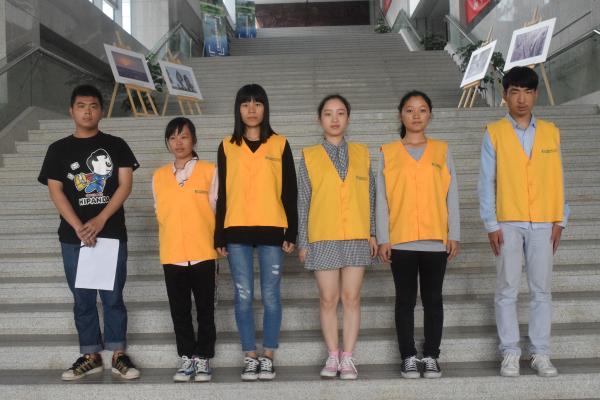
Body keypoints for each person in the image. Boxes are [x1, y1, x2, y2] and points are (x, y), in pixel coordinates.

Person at [37, 84, 140, 381]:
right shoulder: (57, 149)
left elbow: (125, 185)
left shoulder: (117, 145)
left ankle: (118, 353)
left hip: (111, 233)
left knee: (112, 296)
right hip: (73, 237)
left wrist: (100, 219)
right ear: (71, 111)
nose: (87, 111)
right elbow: (55, 191)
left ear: (101, 111)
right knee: (82, 298)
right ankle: (91, 355)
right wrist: (79, 226)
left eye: (93, 106)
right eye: (81, 106)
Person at [478, 66, 570, 378]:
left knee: (541, 290)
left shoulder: (551, 131)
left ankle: (540, 352)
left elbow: (558, 176)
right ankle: (510, 352)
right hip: (508, 220)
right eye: (515, 92)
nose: (521, 99)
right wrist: (491, 223)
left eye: (528, 92)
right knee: (507, 288)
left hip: (544, 220)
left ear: (535, 95)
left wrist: (561, 217)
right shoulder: (494, 132)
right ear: (505, 95)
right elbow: (486, 181)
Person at [214, 83, 298, 381]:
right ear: (238, 109)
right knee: (243, 295)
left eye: (258, 103)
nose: (252, 109)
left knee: (271, 295)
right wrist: (219, 233)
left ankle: (268, 355)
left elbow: (289, 191)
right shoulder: (226, 146)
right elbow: (222, 193)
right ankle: (250, 355)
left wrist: (291, 232)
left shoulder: (280, 144)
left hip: (272, 228)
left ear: (265, 108)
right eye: (245, 103)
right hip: (236, 229)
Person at [377, 90, 460, 379]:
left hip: (435, 240)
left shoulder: (442, 150)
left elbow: (451, 195)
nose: (416, 115)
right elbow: (381, 199)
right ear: (401, 115)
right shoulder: (387, 152)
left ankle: (432, 355)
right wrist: (383, 237)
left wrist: (454, 233)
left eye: (422, 110)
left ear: (430, 115)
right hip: (400, 240)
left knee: (433, 299)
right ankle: (409, 356)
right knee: (405, 300)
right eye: (410, 110)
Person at [297, 94, 377, 380]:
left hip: (356, 235)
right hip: (323, 236)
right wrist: (303, 241)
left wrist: (372, 233)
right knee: (328, 299)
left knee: (352, 297)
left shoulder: (362, 153)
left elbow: (370, 196)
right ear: (319, 119)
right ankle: (333, 355)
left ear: (348, 118)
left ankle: (348, 357)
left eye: (340, 113)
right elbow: (303, 201)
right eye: (328, 113)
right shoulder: (309, 156)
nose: (334, 119)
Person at [152, 117, 218, 382]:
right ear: (167, 142)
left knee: (205, 309)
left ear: (194, 140)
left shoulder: (210, 171)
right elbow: (160, 212)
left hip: (203, 251)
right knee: (179, 310)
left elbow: (219, 209)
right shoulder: (158, 177)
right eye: (172, 137)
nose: (178, 142)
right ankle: (186, 357)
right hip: (172, 254)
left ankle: (203, 357)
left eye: (184, 136)